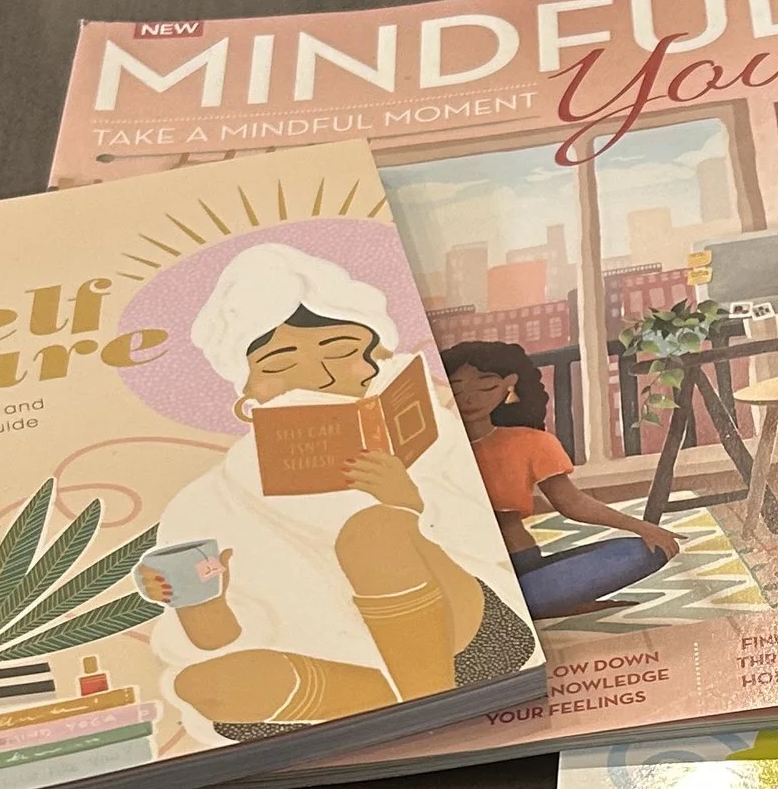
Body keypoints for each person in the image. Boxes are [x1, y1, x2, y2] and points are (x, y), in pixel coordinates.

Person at [138, 243, 533, 738]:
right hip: (340, 668)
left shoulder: (424, 425)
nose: (321, 375)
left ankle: (425, 702)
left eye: (340, 349)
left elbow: (494, 538)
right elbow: (215, 641)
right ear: (248, 390)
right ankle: (407, 704)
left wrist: (412, 506)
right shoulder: (205, 502)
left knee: (374, 530)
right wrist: (201, 602)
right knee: (203, 684)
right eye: (280, 361)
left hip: (467, 638)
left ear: (372, 358)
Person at [443, 341, 683, 621]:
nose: (470, 399)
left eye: (486, 387)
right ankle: (533, 604)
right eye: (457, 388)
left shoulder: (531, 442)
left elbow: (572, 503)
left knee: (643, 551)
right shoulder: (433, 447)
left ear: (510, 384)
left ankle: (534, 603)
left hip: (524, 564)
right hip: (463, 574)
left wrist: (643, 527)